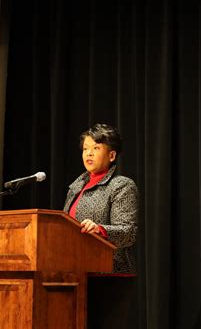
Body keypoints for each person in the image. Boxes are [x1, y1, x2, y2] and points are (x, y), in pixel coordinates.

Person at [63, 123, 138, 328]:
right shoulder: (75, 187)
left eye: (96, 148)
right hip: (77, 274)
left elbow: (128, 233)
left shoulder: (121, 185)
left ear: (111, 155)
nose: (89, 153)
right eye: (86, 148)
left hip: (110, 276)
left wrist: (99, 229)